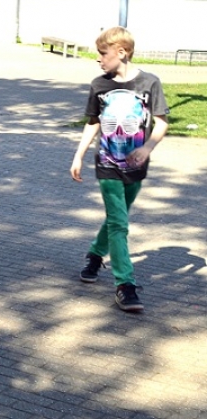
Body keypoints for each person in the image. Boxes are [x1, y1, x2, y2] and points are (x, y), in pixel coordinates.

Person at [70, 26, 169, 312]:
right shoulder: (99, 85)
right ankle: (125, 285)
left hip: (136, 166)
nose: (99, 59)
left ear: (121, 52)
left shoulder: (150, 83)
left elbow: (161, 123)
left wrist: (147, 148)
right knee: (119, 223)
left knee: (117, 218)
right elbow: (93, 122)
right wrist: (78, 156)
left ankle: (94, 255)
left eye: (103, 53)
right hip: (107, 164)